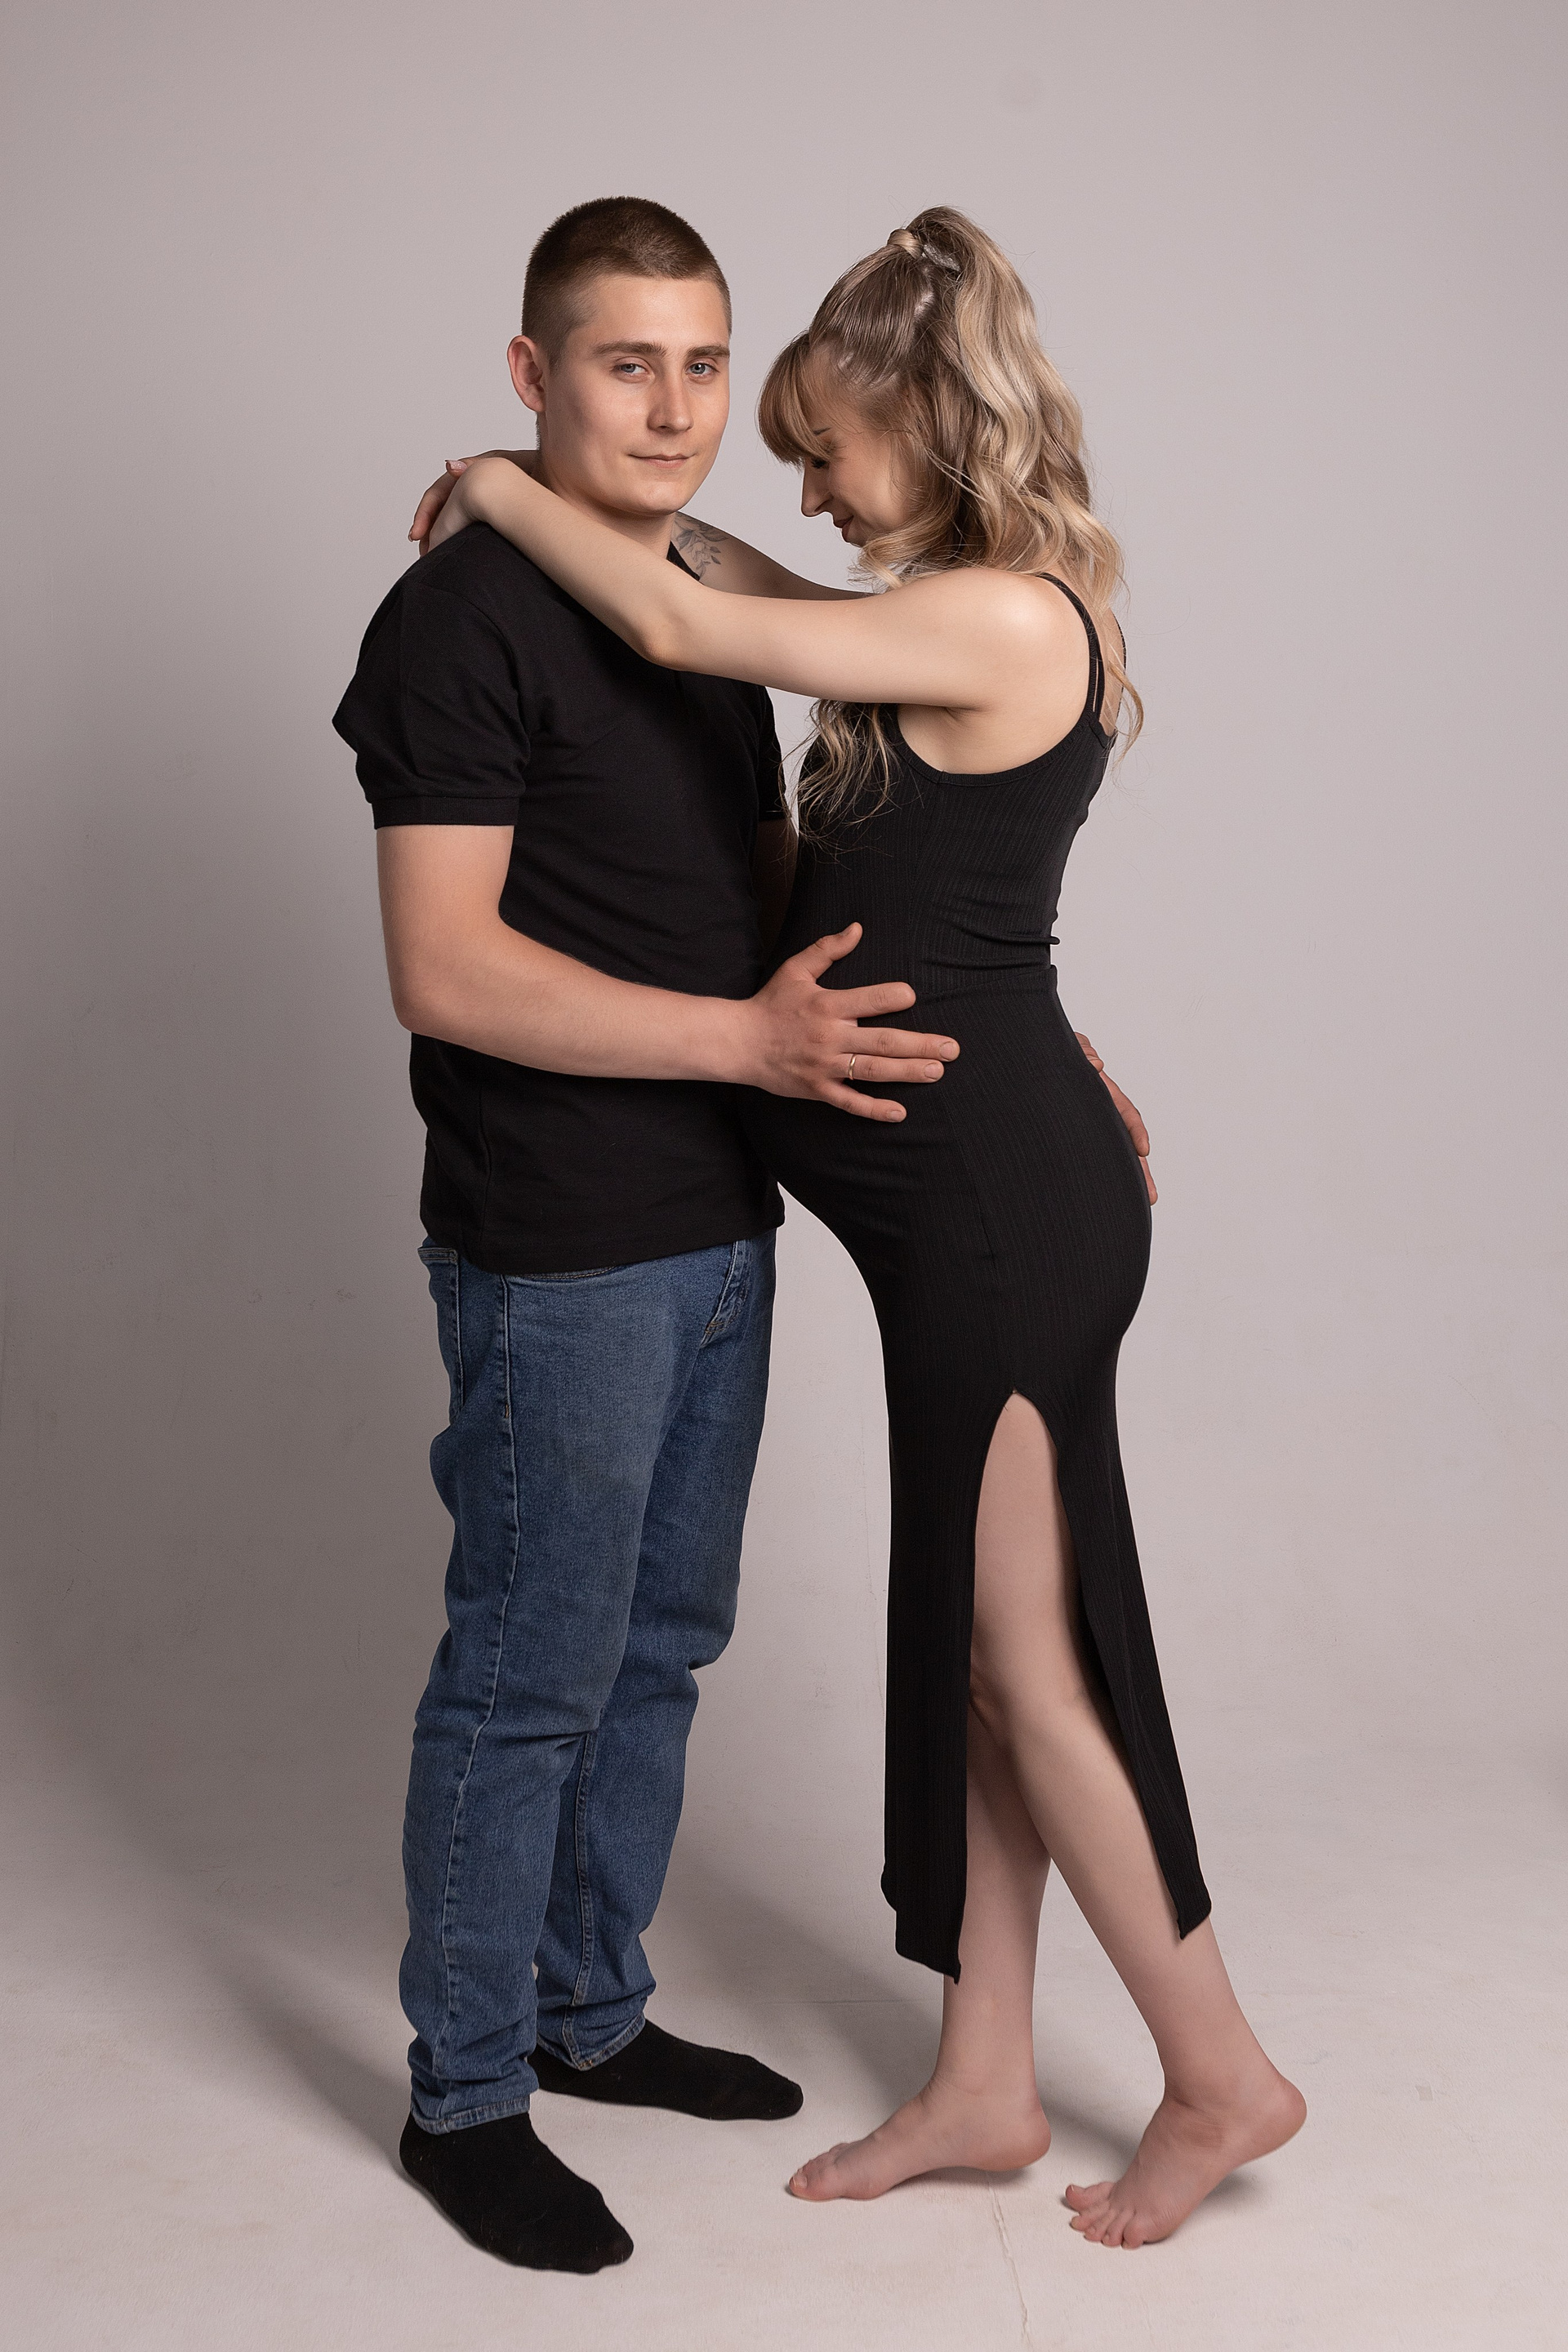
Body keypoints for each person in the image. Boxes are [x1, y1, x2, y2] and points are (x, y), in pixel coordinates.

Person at [422, 205, 1307, 2252]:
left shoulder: (1003, 620)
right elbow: (743, 585)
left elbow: (689, 627)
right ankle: (985, 2078)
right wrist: (599, 505)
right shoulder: (952, 607)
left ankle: (1217, 2070)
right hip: (975, 1204)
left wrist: (495, 485)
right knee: (986, 1668)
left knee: (1031, 1674)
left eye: (825, 446)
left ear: (929, 411)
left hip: (996, 1222)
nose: (805, 490)